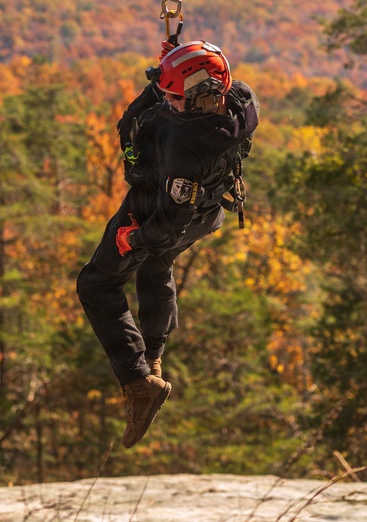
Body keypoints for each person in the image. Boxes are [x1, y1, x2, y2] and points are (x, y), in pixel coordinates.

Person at [77, 40, 260, 448]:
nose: (170, 103)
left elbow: (166, 229)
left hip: (157, 213)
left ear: (200, 98)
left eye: (176, 98)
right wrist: (173, 64)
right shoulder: (240, 99)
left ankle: (139, 382)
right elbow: (184, 87)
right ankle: (153, 359)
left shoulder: (183, 147)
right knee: (157, 265)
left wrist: (135, 236)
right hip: (208, 213)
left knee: (97, 284)